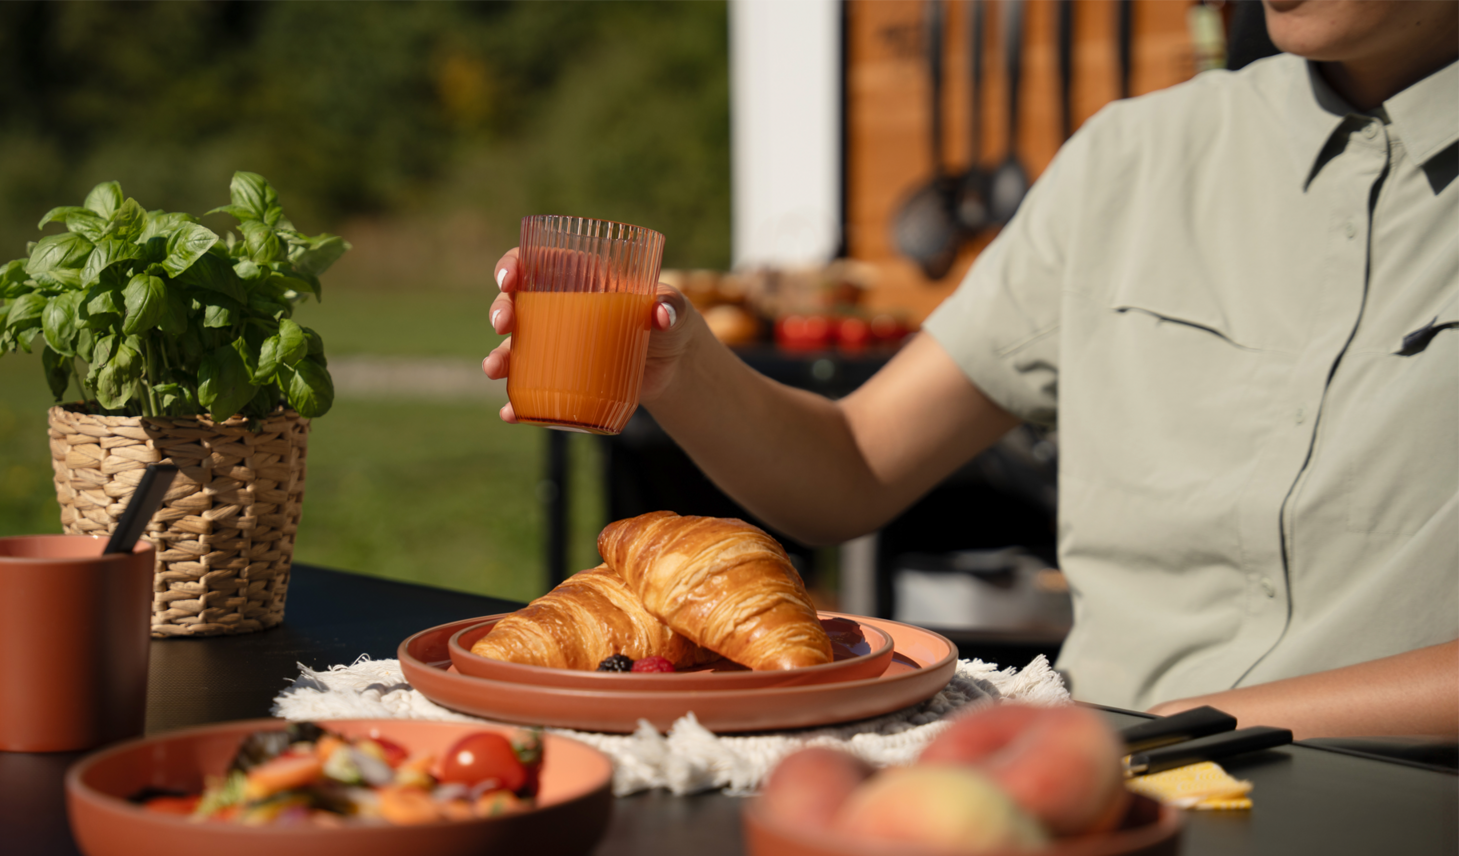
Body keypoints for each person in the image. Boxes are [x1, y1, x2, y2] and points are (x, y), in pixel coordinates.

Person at [482, 0, 1458, 740]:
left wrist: (1176, 724)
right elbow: (853, 466)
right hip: (1090, 785)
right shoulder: (1132, 158)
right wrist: (680, 365)